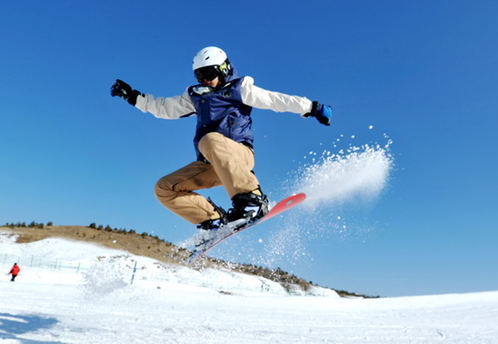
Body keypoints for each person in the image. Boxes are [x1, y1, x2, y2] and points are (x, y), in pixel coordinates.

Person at [111, 46, 332, 231]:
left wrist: (311, 107)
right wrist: (133, 97)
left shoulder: (239, 89)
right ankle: (213, 219)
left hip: (239, 156)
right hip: (211, 163)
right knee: (164, 188)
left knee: (209, 140)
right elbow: (163, 108)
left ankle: (251, 200)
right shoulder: (196, 97)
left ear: (224, 70)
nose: (205, 80)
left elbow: (276, 100)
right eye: (200, 76)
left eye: (209, 74)